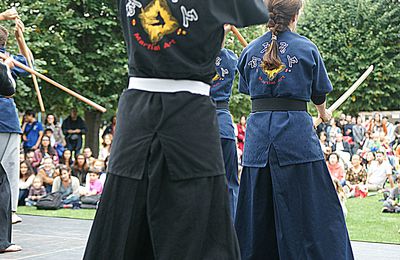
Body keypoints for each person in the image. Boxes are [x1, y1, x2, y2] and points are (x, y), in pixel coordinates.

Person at [84, 0, 269, 259]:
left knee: (123, 223)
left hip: (140, 116)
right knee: (196, 226)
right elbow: (257, 8)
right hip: (188, 116)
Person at [233, 0, 353, 259]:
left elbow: (250, 91)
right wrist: (323, 114)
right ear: (295, 15)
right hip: (295, 134)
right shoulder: (307, 48)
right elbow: (318, 93)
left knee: (258, 210)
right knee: (310, 208)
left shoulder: (250, 51)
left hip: (259, 136)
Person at [0, 8, 26, 253]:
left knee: (5, 178)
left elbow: (30, 66)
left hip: (7, 122)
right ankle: (11, 211)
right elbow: (8, 88)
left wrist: (20, 39)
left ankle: (11, 211)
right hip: (4, 121)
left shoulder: (6, 58)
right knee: (5, 178)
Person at [210, 31, 240, 219]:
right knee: (229, 183)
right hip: (223, 125)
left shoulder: (196, 55)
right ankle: (232, 229)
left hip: (200, 122)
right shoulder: (231, 58)